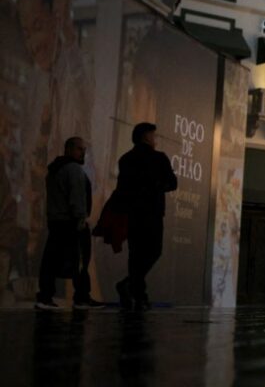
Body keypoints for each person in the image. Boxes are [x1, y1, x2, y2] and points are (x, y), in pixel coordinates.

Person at [115, 123, 177, 310]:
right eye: (153, 135)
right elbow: (172, 183)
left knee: (135, 255)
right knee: (153, 251)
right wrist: (156, 187)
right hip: (153, 211)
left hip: (133, 212)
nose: (155, 139)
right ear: (146, 137)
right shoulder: (158, 158)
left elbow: (122, 188)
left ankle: (137, 292)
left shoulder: (126, 159)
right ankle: (135, 291)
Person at [35, 137, 102, 310]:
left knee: (51, 259)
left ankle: (45, 296)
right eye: (80, 149)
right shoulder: (73, 170)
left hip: (56, 221)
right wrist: (81, 220)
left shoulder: (55, 169)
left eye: (84, 149)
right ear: (69, 149)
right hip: (71, 223)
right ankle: (81, 297)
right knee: (80, 260)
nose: (83, 153)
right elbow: (77, 198)